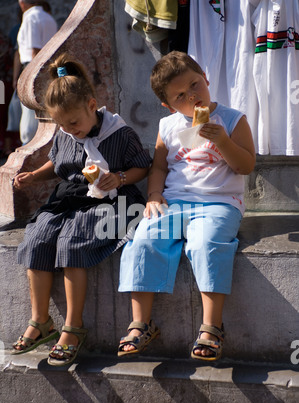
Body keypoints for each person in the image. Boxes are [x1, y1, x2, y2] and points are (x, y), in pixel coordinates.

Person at [12, 53, 151, 366]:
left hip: (115, 199)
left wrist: (121, 177)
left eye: (74, 122)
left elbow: (143, 167)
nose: (70, 130)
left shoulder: (120, 134)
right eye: (62, 125)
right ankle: (40, 320)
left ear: (91, 105)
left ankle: (73, 328)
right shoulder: (65, 133)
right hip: (73, 196)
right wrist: (34, 176)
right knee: (37, 236)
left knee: (71, 240)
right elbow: (58, 163)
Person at [118, 51, 256, 361]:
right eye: (181, 95)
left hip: (220, 202)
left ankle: (211, 327)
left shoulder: (233, 120)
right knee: (143, 239)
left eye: (195, 85)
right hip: (176, 202)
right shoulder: (168, 126)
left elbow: (246, 165)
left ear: (206, 78)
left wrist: (222, 141)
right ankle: (141, 323)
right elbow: (159, 168)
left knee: (207, 243)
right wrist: (154, 195)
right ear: (168, 105)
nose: (192, 96)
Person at [16, 0, 57, 145]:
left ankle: (28, 145)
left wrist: (33, 76)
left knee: (29, 113)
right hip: (48, 67)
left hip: (33, 67)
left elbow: (35, 49)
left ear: (22, 3)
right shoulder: (48, 17)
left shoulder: (30, 18)